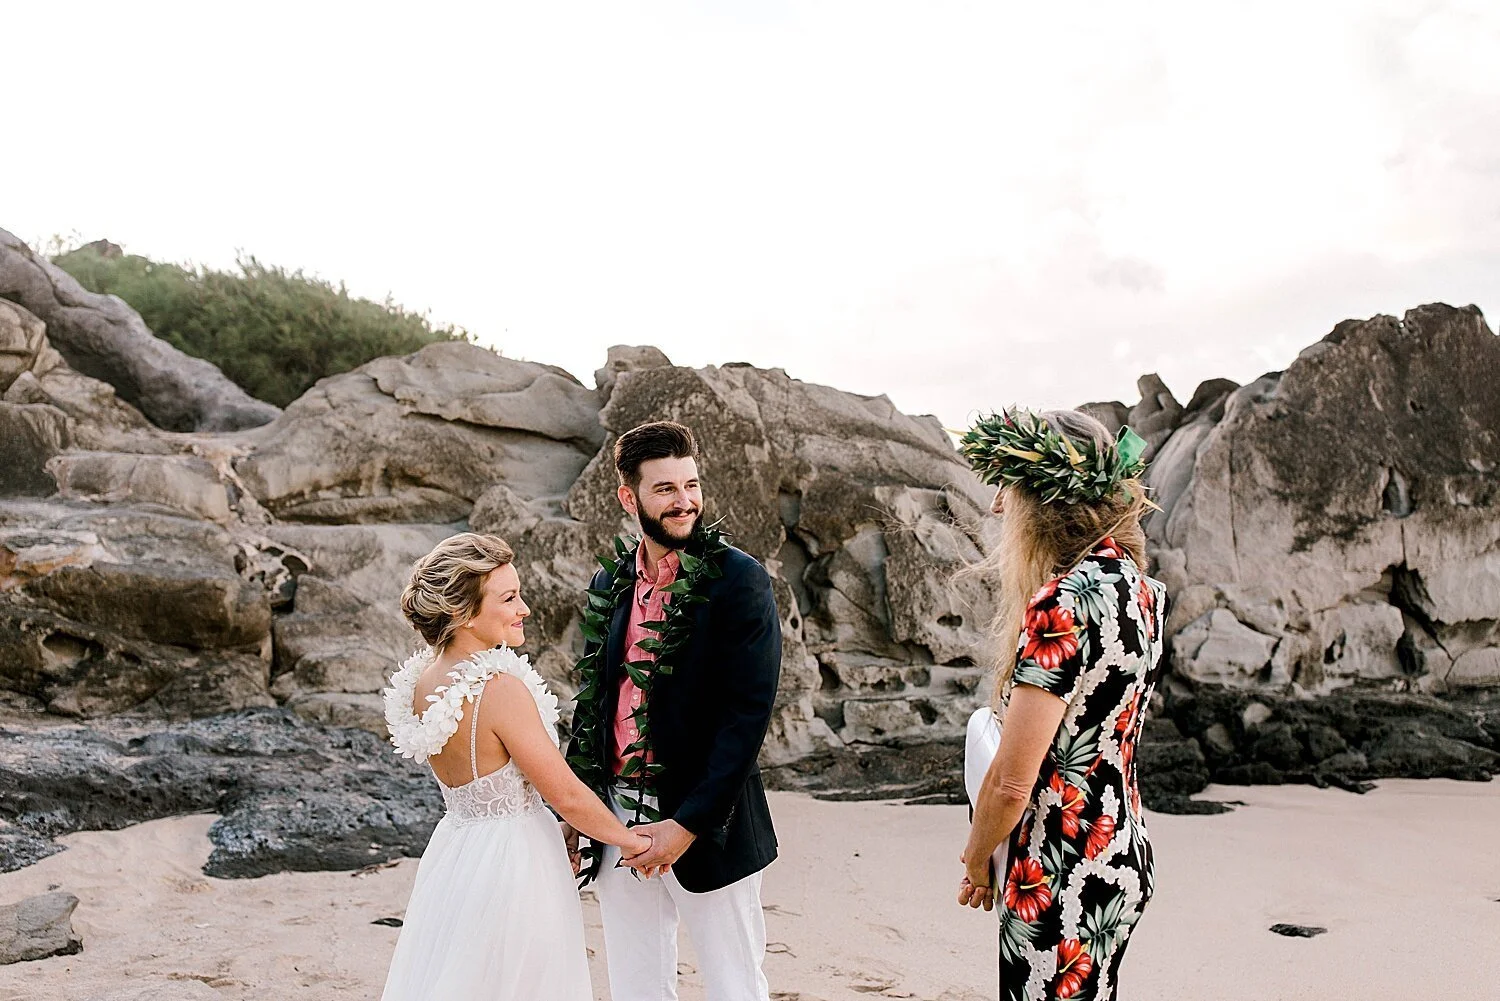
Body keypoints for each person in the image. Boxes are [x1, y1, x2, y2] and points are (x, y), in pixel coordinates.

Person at [379, 532, 653, 1001]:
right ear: (464, 613)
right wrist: (633, 841)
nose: (524, 608)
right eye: (509, 598)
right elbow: (562, 792)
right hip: (515, 861)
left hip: (457, 853)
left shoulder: (425, 680)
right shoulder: (499, 688)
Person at [564, 420, 782, 1001]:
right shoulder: (610, 582)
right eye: (665, 489)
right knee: (636, 984)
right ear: (628, 497)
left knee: (735, 984)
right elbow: (594, 701)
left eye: (691, 485)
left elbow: (747, 718)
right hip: (615, 816)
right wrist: (577, 809)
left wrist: (687, 826)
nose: (684, 501)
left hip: (709, 822)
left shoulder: (740, 580)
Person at [954, 408, 1166, 1001]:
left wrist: (975, 858)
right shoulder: (1145, 592)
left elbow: (1011, 784)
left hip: (1059, 870)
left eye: (1009, 492)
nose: (999, 508)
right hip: (1121, 851)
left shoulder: (1061, 603)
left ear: (1041, 502)